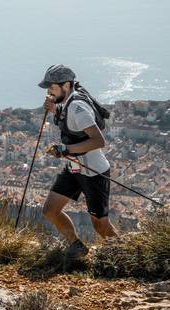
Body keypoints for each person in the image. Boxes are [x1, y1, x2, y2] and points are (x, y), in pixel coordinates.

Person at [38, 64, 117, 260]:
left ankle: (125, 254)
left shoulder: (78, 108)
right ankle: (77, 246)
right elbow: (68, 119)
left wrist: (65, 150)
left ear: (66, 85)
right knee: (50, 210)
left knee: (100, 225)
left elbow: (98, 141)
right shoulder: (68, 99)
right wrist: (54, 109)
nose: (48, 91)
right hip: (75, 167)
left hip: (93, 172)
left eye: (52, 87)